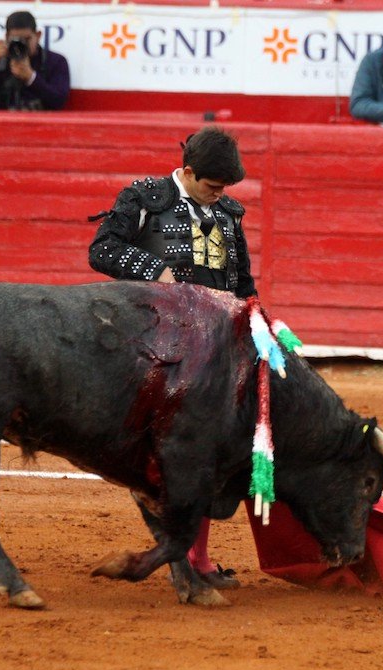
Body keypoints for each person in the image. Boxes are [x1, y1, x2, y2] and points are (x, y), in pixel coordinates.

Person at [88, 126, 255, 590]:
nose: (220, 195)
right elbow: (101, 249)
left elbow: (241, 282)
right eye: (213, 186)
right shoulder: (144, 198)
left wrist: (255, 321)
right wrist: (155, 269)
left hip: (210, 349)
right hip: (152, 348)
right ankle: (188, 559)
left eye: (225, 188)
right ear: (188, 171)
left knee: (207, 449)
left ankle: (197, 559)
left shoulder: (228, 213)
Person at [0, 11, 70, 111]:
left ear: (38, 35)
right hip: (4, 119)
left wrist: (31, 78)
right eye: (16, 39)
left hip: (39, 120)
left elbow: (58, 101)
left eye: (27, 39)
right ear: (7, 37)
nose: (22, 44)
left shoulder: (56, 61)